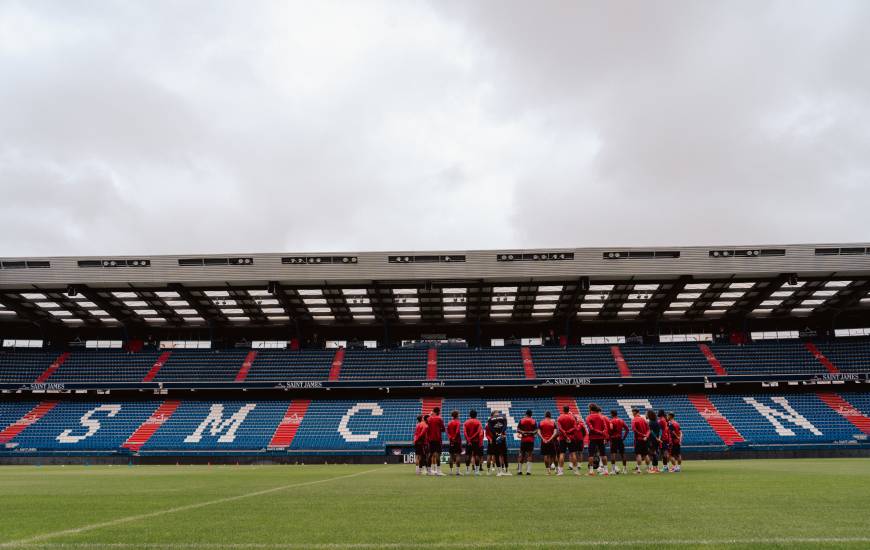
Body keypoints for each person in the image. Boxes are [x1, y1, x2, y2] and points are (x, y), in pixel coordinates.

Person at [585, 403, 610, 476]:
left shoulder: (588, 417)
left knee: (591, 455)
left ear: (590, 409)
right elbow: (605, 428)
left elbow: (591, 429)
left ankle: (591, 471)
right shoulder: (601, 417)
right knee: (603, 454)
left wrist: (599, 432)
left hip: (593, 438)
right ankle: (606, 471)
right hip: (601, 438)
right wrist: (602, 433)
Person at [556, 405, 580, 476]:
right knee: (573, 454)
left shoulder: (559, 417)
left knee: (562, 454)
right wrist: (569, 433)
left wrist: (565, 434)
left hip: (562, 438)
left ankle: (560, 471)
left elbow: (560, 428)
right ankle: (575, 471)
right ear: (568, 410)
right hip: (571, 437)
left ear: (563, 410)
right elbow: (575, 428)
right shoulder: (572, 417)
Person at [488, 409, 511, 476]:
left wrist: (496, 433)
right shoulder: (503, 418)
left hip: (495, 438)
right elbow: (505, 426)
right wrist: (501, 433)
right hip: (502, 437)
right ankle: (507, 471)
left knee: (496, 454)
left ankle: (499, 471)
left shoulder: (490, 419)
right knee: (504, 454)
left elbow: (490, 428)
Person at [608, 409, 629, 475]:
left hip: (613, 439)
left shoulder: (611, 421)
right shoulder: (621, 420)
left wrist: (609, 437)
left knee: (613, 454)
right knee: (623, 454)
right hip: (620, 439)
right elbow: (627, 429)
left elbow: (610, 430)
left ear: (612, 414)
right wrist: (623, 438)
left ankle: (613, 470)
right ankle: (625, 469)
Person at [463, 409, 484, 475]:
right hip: (476, 441)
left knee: (468, 456)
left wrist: (469, 440)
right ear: (476, 415)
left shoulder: (466, 422)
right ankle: (477, 471)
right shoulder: (478, 422)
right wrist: (472, 438)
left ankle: (467, 471)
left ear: (470, 415)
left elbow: (465, 432)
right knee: (476, 455)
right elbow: (478, 432)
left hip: (468, 442)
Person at [516, 409, 537, 475]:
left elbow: (518, 429)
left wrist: (523, 433)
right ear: (531, 414)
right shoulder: (533, 421)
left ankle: (519, 471)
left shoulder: (522, 420)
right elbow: (536, 431)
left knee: (521, 454)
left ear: (526, 414)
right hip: (530, 440)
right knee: (529, 455)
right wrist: (530, 433)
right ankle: (528, 471)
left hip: (524, 440)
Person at [630, 408, 651, 474]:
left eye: (633, 412)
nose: (632, 413)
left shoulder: (634, 420)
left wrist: (642, 435)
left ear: (635, 412)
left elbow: (634, 430)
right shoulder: (643, 419)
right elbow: (649, 429)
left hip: (638, 440)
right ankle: (648, 468)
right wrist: (646, 436)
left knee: (638, 454)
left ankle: (638, 469)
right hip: (645, 440)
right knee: (646, 454)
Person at [427, 407, 445, 476]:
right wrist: (438, 430)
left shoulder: (429, 419)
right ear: (438, 412)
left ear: (433, 411)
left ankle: (429, 471)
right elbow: (443, 429)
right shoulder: (439, 419)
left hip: (430, 439)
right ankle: (438, 471)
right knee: (438, 455)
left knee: (430, 454)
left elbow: (427, 428)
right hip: (437, 439)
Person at [538, 411, 558, 475]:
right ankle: (556, 470)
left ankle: (548, 471)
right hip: (551, 441)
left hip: (544, 441)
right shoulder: (553, 423)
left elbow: (538, 432)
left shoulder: (541, 422)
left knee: (546, 456)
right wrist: (550, 439)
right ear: (550, 415)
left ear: (545, 415)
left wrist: (543, 438)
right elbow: (555, 432)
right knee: (554, 456)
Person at [446, 410, 463, 476]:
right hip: (457, 441)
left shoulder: (449, 422)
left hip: (451, 441)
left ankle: (450, 471)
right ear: (457, 415)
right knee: (458, 455)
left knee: (451, 455)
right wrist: (454, 437)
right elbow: (457, 431)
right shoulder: (458, 422)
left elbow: (447, 432)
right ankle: (457, 471)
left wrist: (451, 438)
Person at [646, 410, 661, 474]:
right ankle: (655, 467)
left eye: (646, 414)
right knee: (654, 453)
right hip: (656, 440)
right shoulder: (656, 422)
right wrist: (659, 438)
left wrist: (656, 438)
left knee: (653, 453)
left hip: (652, 440)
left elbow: (651, 431)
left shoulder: (650, 422)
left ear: (649, 415)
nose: (645, 415)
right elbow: (660, 430)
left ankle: (655, 468)